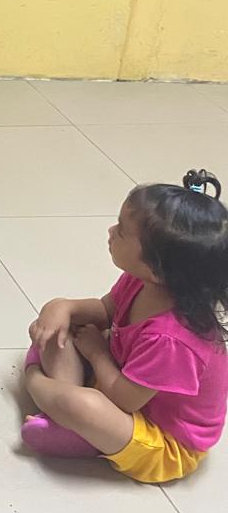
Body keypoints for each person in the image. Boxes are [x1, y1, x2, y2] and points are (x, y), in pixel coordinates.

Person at [22, 171, 228, 484]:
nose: (110, 231)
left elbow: (125, 400)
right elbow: (105, 311)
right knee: (55, 330)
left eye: (121, 231)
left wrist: (97, 354)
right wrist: (63, 306)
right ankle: (72, 420)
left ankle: (46, 390)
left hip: (159, 441)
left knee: (81, 403)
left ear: (157, 267)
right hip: (123, 381)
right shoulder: (143, 281)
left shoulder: (173, 339)